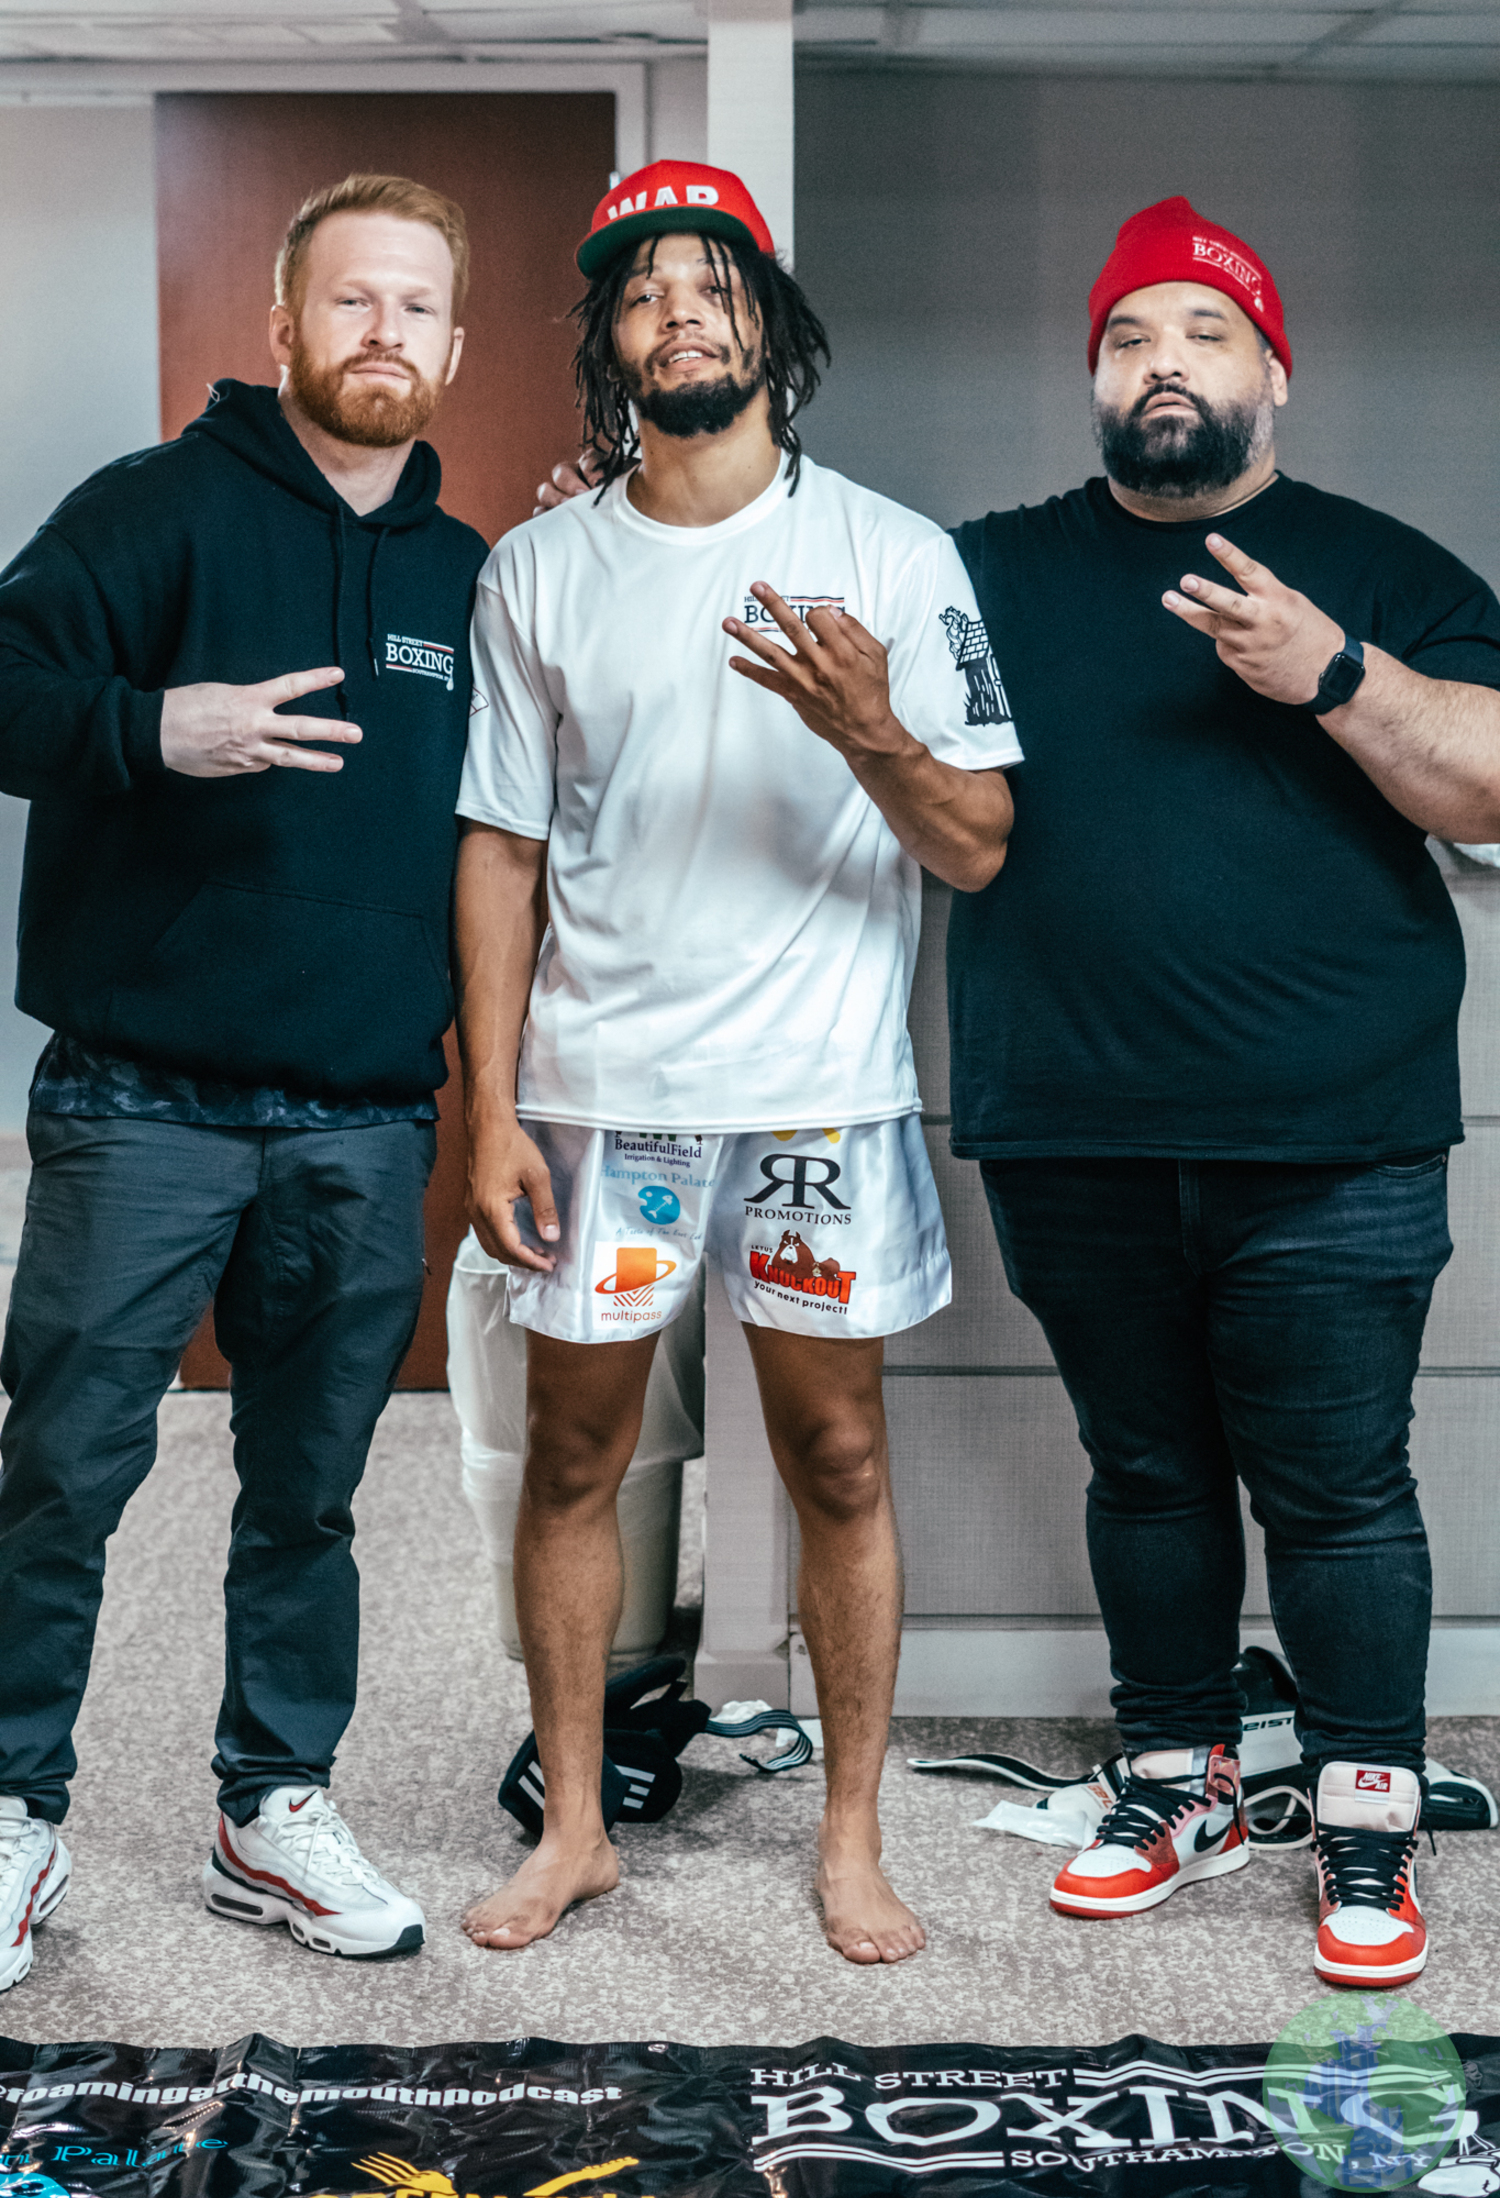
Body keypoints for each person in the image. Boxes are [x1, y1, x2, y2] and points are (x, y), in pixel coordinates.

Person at [454, 159, 1020, 1964]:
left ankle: (850, 1839)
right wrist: (488, 1107)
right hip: (602, 1094)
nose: (681, 311)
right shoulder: (538, 567)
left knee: (839, 1457)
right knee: (571, 1461)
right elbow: (501, 848)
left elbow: (981, 843)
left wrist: (868, 727)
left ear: (771, 322)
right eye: (642, 292)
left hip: (815, 1095)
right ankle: (576, 1826)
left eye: (715, 283)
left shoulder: (890, 554)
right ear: (609, 345)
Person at [946, 197, 1500, 1985]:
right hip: (1074, 1120)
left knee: (1340, 1488)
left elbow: (1489, 786)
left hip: (1333, 1133)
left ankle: (1364, 1814)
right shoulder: (989, 570)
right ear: (1094, 381)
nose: (1159, 361)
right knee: (1149, 1469)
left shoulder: (1382, 565)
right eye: (1125, 337)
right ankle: (1175, 1773)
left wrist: (1331, 673)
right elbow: (797, 600)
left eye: (1200, 332)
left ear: (1273, 373)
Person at [0, 173, 487, 1991]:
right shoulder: (151, 513)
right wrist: (148, 729)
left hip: (363, 1117)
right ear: (284, 327)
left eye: (417, 306)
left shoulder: (469, 575)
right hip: (144, 1098)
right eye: (350, 301)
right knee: (63, 1468)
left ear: (453, 342)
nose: (384, 332)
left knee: (311, 1490)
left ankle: (267, 1806)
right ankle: (11, 1811)